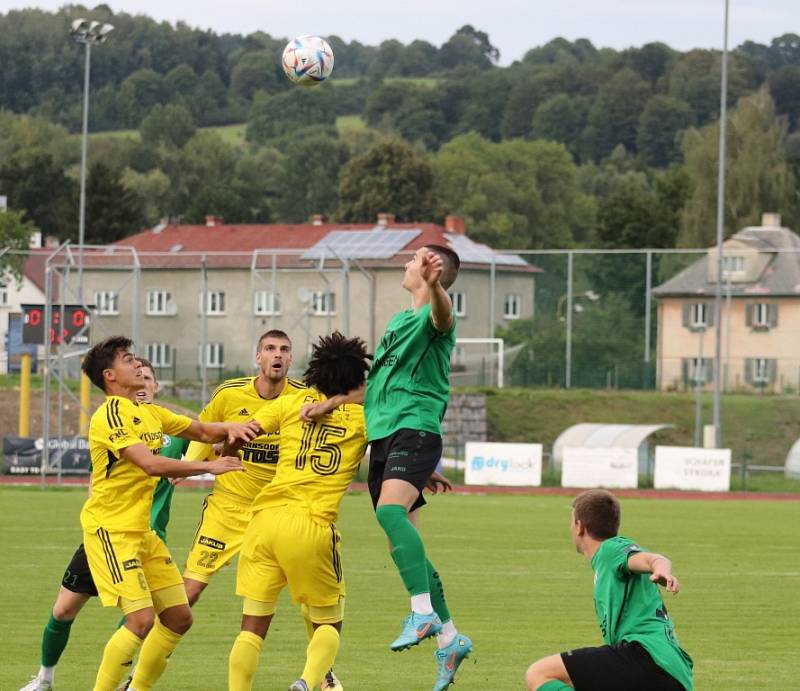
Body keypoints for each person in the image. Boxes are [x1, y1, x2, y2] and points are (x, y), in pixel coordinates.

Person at [302, 245, 471, 691]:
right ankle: (450, 638)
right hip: (385, 439)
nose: (406, 263)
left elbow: (444, 316)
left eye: (414, 259)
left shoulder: (433, 317)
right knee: (403, 545)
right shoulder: (397, 324)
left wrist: (436, 287)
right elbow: (378, 385)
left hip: (414, 428)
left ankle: (421, 611)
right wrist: (335, 401)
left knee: (389, 514)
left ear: (434, 272)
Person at [78, 336, 256, 691]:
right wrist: (212, 467)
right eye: (129, 360)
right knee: (141, 620)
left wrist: (238, 426)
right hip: (110, 532)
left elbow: (202, 430)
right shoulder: (110, 414)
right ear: (110, 375)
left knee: (178, 617)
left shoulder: (150, 412)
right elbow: (149, 464)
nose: (137, 365)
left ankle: (136, 688)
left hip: (141, 532)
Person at [182, 330, 344, 691]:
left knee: (279, 611)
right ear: (258, 357)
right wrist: (189, 469)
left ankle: (323, 674)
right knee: (188, 593)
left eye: (284, 350)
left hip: (272, 513)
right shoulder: (230, 393)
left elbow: (243, 435)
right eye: (270, 349)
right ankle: (139, 674)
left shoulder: (301, 399)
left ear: (291, 359)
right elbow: (205, 432)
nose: (278, 355)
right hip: (232, 509)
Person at [19, 359, 189, 691]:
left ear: (155, 387)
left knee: (141, 619)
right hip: (108, 536)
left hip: (150, 538)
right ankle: (45, 678)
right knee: (64, 609)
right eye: (137, 372)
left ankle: (126, 682)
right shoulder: (118, 425)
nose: (142, 380)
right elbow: (111, 474)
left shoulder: (172, 429)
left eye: (148, 378)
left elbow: (208, 442)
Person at [227, 332, 370, 691]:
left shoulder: (292, 404)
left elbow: (246, 431)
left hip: (264, 522)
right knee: (327, 624)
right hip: (311, 525)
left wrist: (225, 444)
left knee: (252, 628)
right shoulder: (365, 417)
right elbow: (391, 427)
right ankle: (309, 682)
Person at [524, 489, 694, 691]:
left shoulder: (610, 549)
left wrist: (661, 570)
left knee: (540, 674)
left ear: (579, 526)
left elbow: (652, 558)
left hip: (648, 656)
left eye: (572, 522)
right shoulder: (606, 560)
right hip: (673, 673)